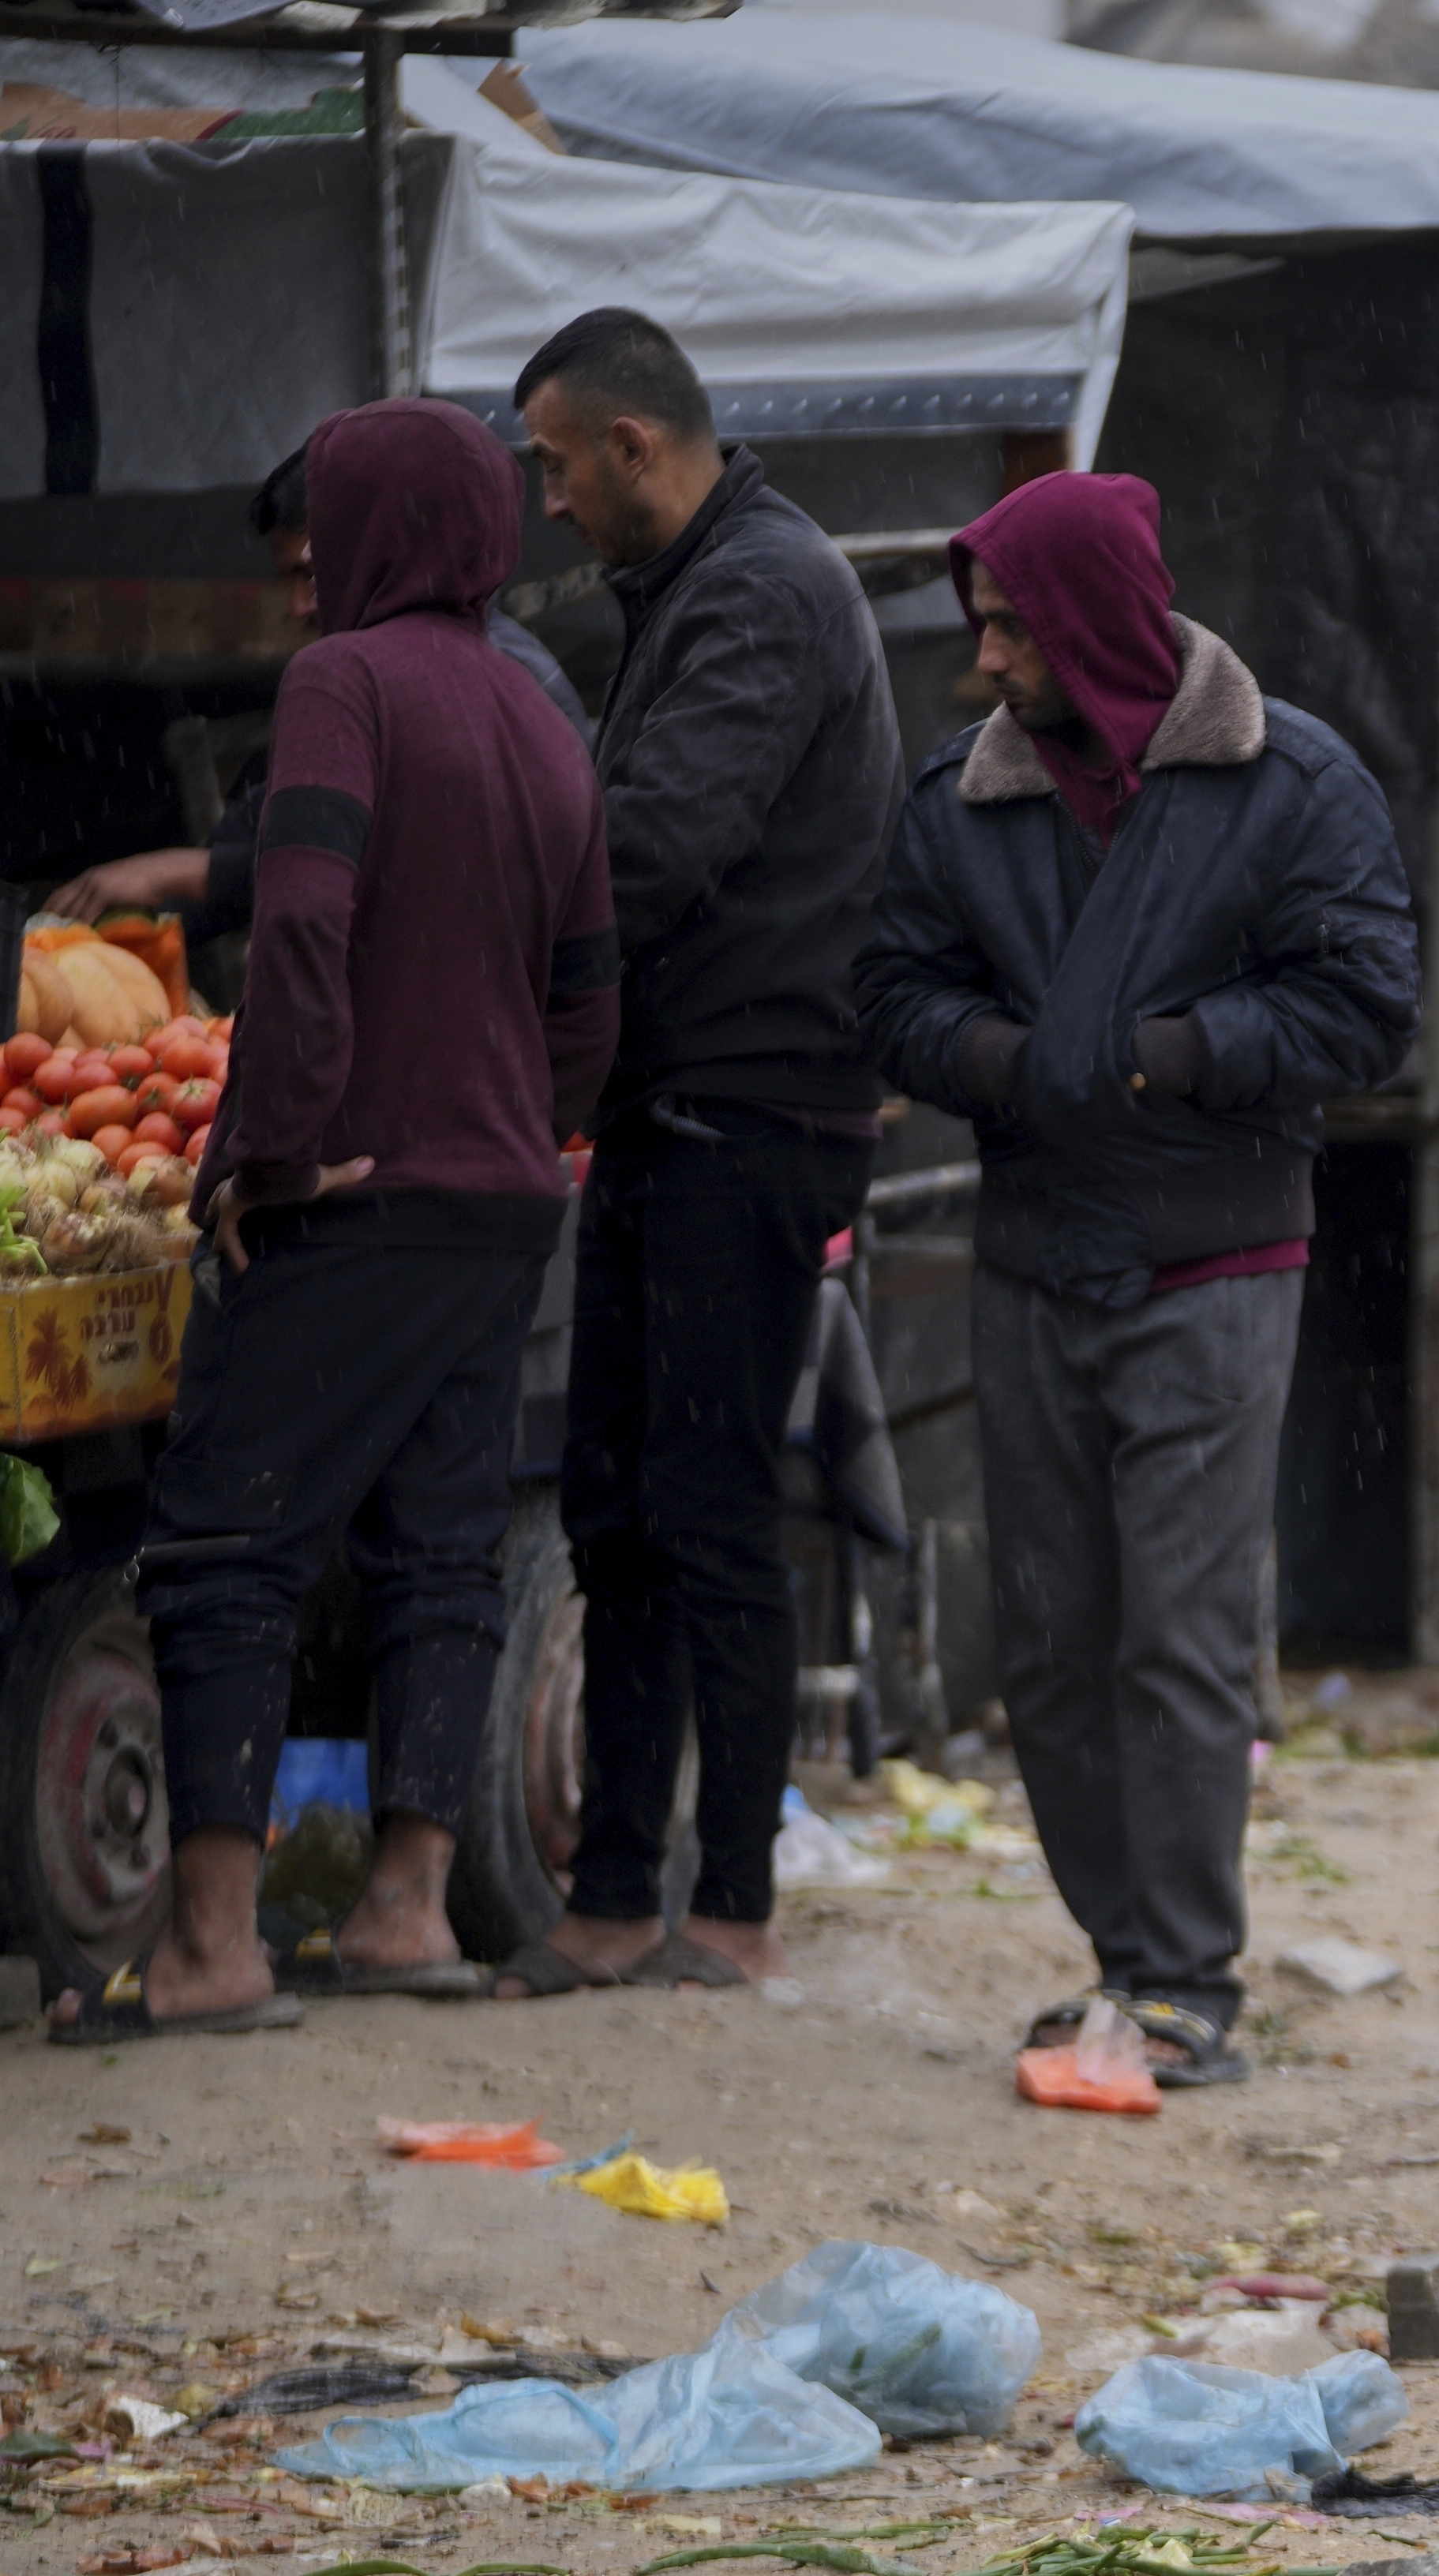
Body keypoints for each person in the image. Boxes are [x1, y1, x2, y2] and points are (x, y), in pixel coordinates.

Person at [854, 470, 1418, 2090]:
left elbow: (1371, 1003)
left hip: (1216, 1256)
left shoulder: (1290, 780)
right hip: (1035, 1253)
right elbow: (889, 988)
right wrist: (1008, 1059)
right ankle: (1123, 1952)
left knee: (1176, 1625)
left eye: (1011, 628)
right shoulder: (969, 794)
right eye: (979, 629)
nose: (984, 665)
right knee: (1048, 1626)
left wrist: (1176, 1053)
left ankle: (1187, 1976)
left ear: (1092, 621)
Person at [62, 399, 614, 2041]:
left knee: (228, 1541)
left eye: (333, 539)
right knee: (443, 1547)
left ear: (382, 535)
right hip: (503, 1201)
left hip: (357, 1193)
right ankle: (403, 1909)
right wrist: (533, 1119)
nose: (307, 589)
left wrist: (273, 1149)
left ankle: (216, 1947)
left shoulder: (347, 686)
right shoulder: (537, 713)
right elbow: (591, 989)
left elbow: (298, 927)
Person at [501, 307, 898, 1998]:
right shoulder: (695, 585)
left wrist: (476, 970)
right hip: (674, 1111)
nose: (549, 504)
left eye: (554, 465)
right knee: (618, 1504)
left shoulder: (762, 590)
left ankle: (726, 1904)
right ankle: (611, 1897)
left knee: (707, 1510)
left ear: (632, 446)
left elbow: (649, 852)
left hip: (757, 1111)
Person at [40, 441, 586, 932]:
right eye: (291, 581)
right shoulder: (368, 677)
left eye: (313, 576)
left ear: (379, 545)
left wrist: (190, 873)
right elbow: (287, 816)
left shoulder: (488, 676)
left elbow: (400, 862)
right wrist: (139, 924)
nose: (300, 609)